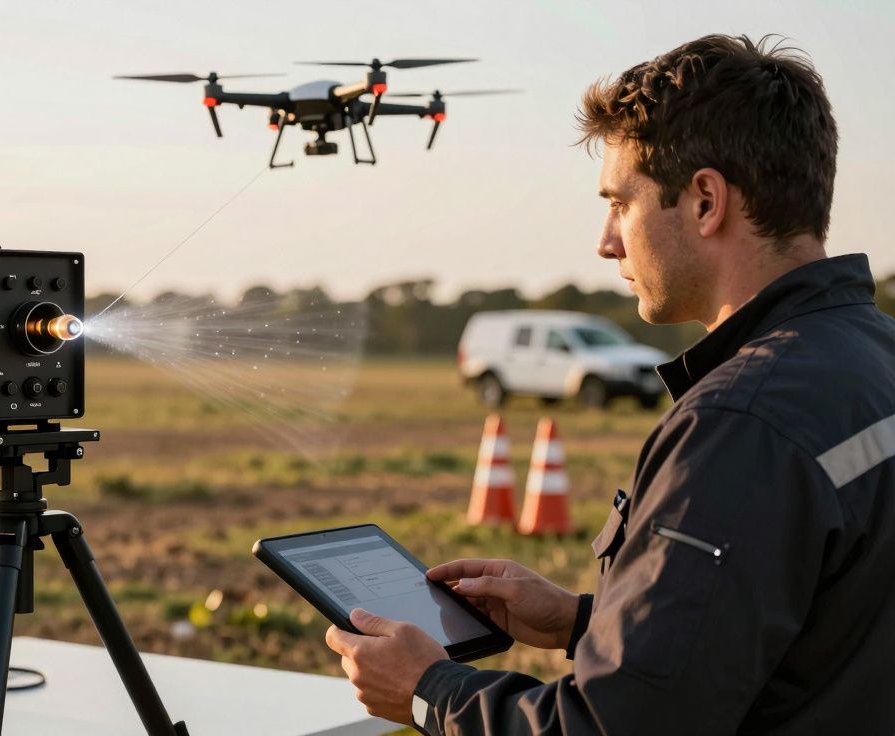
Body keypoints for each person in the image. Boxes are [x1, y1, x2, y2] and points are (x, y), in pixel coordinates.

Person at [326, 34, 895, 735]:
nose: (606, 241)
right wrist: (583, 621)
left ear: (706, 202)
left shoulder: (741, 422)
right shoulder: (876, 358)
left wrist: (430, 690)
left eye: (620, 203)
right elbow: (814, 631)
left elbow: (613, 727)